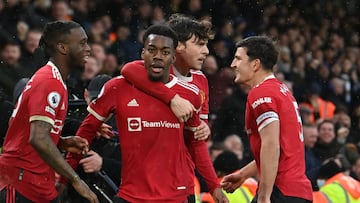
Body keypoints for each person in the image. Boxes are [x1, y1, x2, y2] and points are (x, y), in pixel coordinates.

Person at [64, 24, 227, 203]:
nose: (157, 56)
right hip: (131, 195)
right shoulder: (117, 87)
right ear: (142, 54)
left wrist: (214, 187)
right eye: (151, 50)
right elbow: (85, 132)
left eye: (165, 52)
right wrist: (67, 178)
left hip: (175, 195)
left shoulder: (190, 94)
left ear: (173, 57)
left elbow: (196, 145)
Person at [120, 14, 226, 201]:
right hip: (145, 182)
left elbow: (198, 137)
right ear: (178, 46)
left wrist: (204, 129)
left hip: (182, 181)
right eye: (200, 44)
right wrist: (173, 98)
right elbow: (128, 69)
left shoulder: (200, 81)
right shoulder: (154, 72)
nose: (207, 51)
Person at [0, 20, 98, 203]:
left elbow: (21, 127)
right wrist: (75, 180)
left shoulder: (52, 79)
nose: (88, 49)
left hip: (36, 183)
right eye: (82, 43)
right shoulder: (49, 81)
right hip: (21, 182)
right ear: (63, 47)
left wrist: (59, 142)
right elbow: (38, 137)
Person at [221, 36, 313, 203]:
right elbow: (280, 149)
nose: (233, 64)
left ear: (255, 64)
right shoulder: (282, 91)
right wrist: (244, 174)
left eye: (238, 58)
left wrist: (264, 196)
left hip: (280, 191)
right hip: (297, 192)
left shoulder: (261, 93)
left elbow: (271, 145)